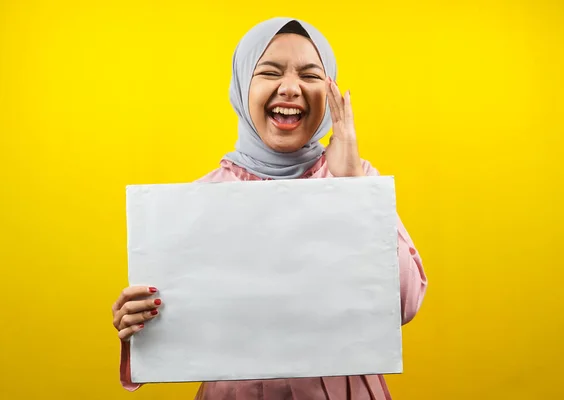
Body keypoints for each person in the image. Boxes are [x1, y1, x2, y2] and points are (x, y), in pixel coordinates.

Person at [111, 17, 428, 400]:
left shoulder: (358, 180)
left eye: (310, 75)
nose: (291, 88)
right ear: (244, 85)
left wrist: (350, 186)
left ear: (329, 92)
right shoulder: (199, 202)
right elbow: (181, 333)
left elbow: (405, 304)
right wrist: (140, 321)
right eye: (270, 72)